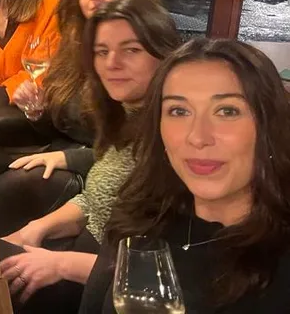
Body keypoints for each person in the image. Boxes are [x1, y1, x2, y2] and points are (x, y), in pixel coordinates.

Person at [0, 0, 180, 313]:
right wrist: (37, 229)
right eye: (102, 51)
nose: (112, 63)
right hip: (78, 257)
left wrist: (61, 264)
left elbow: (165, 275)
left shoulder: (178, 138)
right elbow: (96, 203)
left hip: (99, 291)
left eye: (131, 50)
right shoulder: (125, 116)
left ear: (164, 54)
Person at [81, 39, 290, 312]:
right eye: (179, 111)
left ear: (268, 126)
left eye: (227, 111)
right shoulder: (140, 215)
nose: (198, 137)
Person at [0, 0, 162, 236]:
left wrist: (68, 159)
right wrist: (36, 111)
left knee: (17, 184)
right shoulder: (73, 44)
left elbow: (136, 154)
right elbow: (59, 121)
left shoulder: (147, 53)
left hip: (102, 170)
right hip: (62, 148)